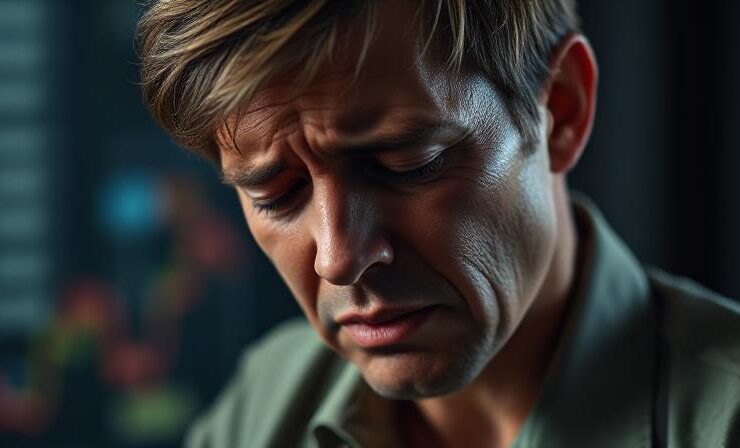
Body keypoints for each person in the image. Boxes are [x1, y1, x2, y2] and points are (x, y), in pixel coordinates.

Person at [137, 1, 740, 446]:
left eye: (409, 165)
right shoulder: (262, 408)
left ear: (560, 108)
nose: (338, 259)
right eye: (275, 194)